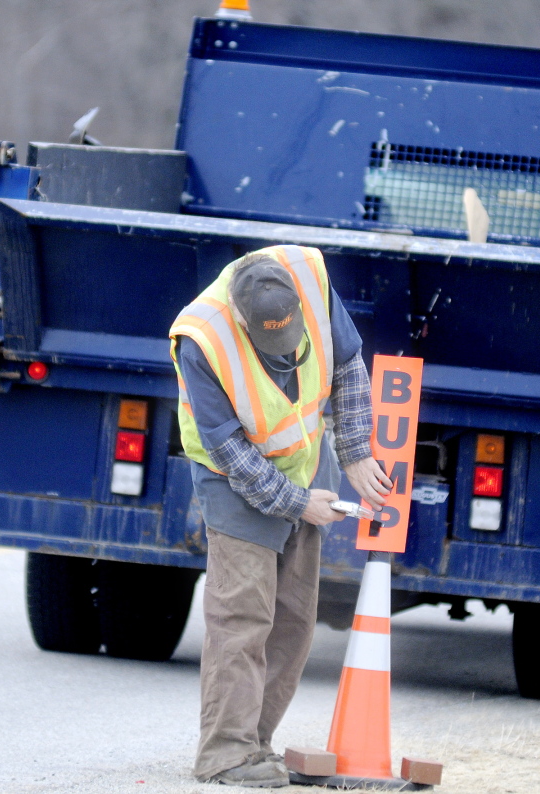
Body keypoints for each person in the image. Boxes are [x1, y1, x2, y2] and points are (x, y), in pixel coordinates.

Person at [169, 244, 392, 787]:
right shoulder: (202, 339)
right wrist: (297, 502)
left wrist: (356, 450)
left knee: (292, 618)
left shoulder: (308, 279)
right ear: (242, 322)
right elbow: (231, 454)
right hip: (233, 477)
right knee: (243, 617)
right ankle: (224, 752)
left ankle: (255, 745)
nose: (287, 355)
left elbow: (348, 365)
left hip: (304, 459)